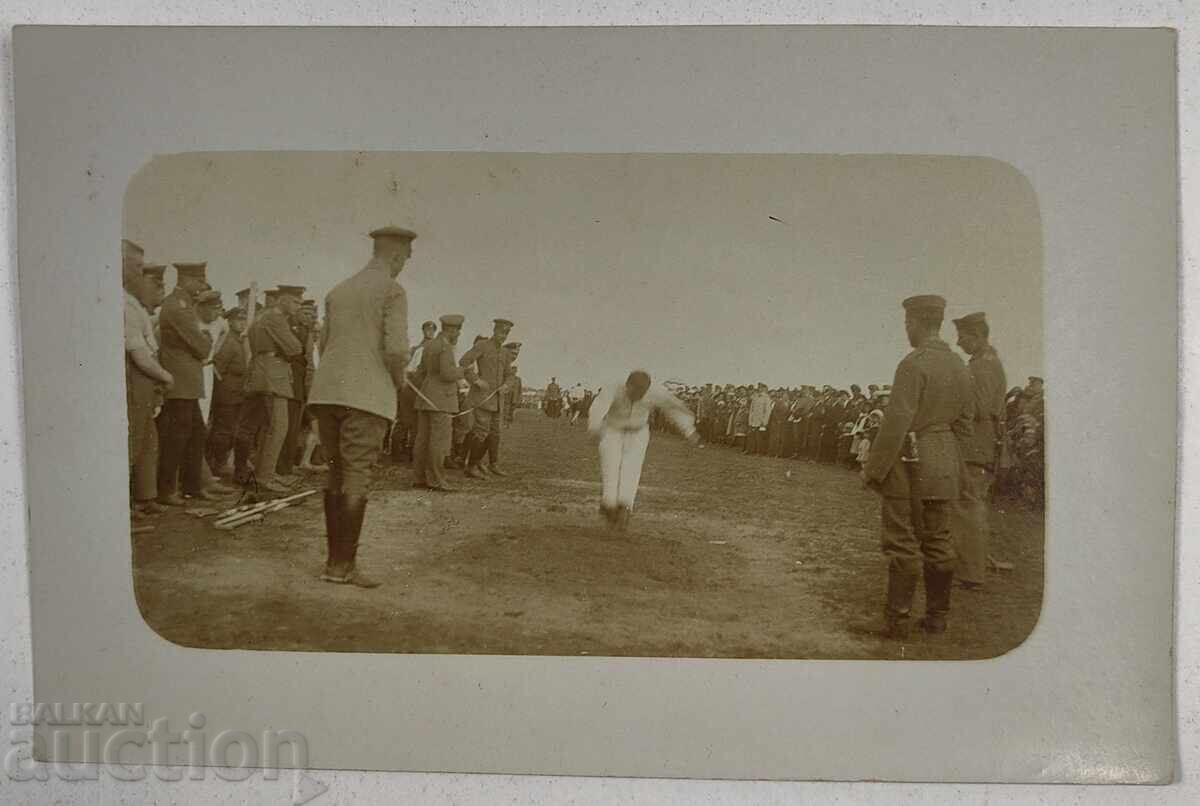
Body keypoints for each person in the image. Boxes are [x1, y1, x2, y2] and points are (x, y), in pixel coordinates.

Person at [307, 225, 415, 587]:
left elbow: (324, 345)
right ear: (397, 256)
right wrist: (399, 381)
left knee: (335, 473)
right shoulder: (392, 290)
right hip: (366, 396)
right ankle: (342, 566)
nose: (403, 267)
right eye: (404, 261)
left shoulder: (339, 291)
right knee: (356, 475)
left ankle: (333, 563)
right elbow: (397, 349)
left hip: (327, 392)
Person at [862, 295, 973, 639]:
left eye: (907, 324)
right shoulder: (959, 365)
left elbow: (896, 421)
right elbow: (966, 423)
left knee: (902, 542)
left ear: (914, 323)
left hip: (910, 462)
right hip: (945, 462)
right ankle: (937, 618)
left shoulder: (913, 364)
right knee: (939, 540)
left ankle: (896, 622)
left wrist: (874, 469)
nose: (906, 330)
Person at [587, 370, 699, 530]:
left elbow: (674, 408)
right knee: (610, 466)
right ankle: (609, 504)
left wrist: (689, 430)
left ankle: (625, 507)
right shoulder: (613, 387)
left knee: (631, 468)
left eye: (642, 393)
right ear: (627, 386)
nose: (638, 396)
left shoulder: (657, 391)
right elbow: (598, 406)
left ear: (648, 389)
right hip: (612, 429)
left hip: (638, 432)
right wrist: (594, 427)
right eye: (635, 392)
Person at [951, 311, 1008, 590]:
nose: (959, 342)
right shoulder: (983, 362)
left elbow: (981, 408)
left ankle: (972, 572)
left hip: (974, 445)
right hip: (976, 444)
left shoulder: (984, 366)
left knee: (969, 506)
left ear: (976, 336)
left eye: (963, 337)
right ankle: (971, 565)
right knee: (969, 505)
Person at [155, 262, 215, 505]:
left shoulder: (183, 304)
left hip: (186, 380)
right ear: (186, 279)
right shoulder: (178, 306)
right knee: (177, 437)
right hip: (180, 381)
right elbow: (201, 346)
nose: (201, 286)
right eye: (199, 281)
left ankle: (191, 486)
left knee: (195, 434)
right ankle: (168, 490)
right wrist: (206, 342)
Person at [123, 242, 173, 519]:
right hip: (136, 377)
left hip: (146, 380)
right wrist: (165, 376)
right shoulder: (125, 306)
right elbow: (139, 354)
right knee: (133, 441)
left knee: (148, 442)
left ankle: (145, 497)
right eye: (138, 268)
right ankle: (123, 507)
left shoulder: (137, 307)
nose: (141, 275)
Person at [412, 314, 466, 492]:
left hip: (426, 398)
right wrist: (463, 370)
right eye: (457, 331)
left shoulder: (429, 345)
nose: (458, 334)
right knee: (438, 442)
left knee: (422, 440)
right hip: (441, 400)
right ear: (451, 330)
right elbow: (447, 374)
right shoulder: (446, 347)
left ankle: (419, 478)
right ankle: (436, 480)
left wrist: (426, 390)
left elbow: (420, 372)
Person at [459, 318, 515, 478]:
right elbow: (464, 362)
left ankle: (487, 464)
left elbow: (510, 374)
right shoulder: (482, 346)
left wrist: (507, 385)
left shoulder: (505, 353)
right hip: (482, 399)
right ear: (494, 331)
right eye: (501, 332)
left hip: (498, 401)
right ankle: (471, 467)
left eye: (506, 333)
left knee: (494, 433)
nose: (503, 336)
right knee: (481, 432)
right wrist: (475, 380)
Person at [205, 306, 248, 476]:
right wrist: (222, 390)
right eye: (238, 320)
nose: (242, 323)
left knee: (230, 430)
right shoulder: (229, 342)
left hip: (236, 395)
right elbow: (216, 369)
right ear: (230, 321)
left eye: (244, 320)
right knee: (223, 430)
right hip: (226, 396)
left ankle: (220, 463)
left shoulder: (238, 340)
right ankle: (217, 464)